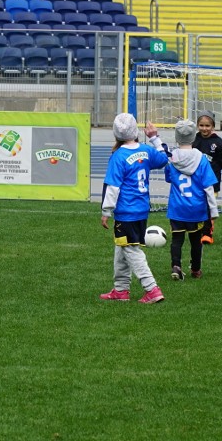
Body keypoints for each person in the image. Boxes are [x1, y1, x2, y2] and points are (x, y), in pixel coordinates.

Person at [99, 113, 169, 304]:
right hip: (141, 209)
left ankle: (152, 288)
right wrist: (155, 138)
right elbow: (164, 159)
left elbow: (113, 187)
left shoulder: (118, 156)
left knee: (131, 249)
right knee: (122, 247)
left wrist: (106, 211)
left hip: (126, 211)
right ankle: (121, 289)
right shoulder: (146, 150)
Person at [148, 120, 219, 280]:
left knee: (177, 240)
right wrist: (213, 210)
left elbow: (169, 177)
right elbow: (208, 187)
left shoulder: (172, 159)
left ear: (176, 138)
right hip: (197, 209)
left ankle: (176, 266)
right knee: (195, 241)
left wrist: (155, 138)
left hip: (177, 208)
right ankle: (196, 269)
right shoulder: (201, 159)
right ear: (194, 137)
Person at [191, 111, 222, 245]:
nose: (204, 128)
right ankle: (198, 230)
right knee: (197, 207)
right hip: (195, 181)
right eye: (201, 125)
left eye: (207, 126)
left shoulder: (219, 143)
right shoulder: (193, 140)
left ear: (213, 126)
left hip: (212, 183)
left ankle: (207, 234)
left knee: (208, 208)